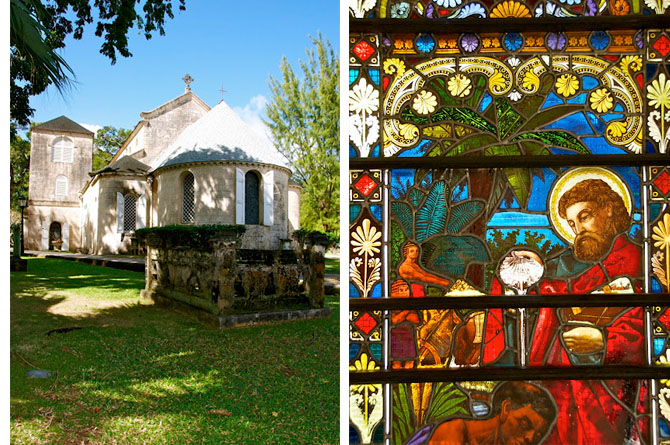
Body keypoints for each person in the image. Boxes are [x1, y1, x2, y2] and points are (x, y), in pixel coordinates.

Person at [477, 177, 647, 444]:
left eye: (585, 216)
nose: (579, 228)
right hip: (561, 391)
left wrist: (606, 342)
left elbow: (656, 322)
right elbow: (546, 287)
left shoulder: (644, 262)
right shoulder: (568, 267)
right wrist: (526, 272)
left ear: (610, 209)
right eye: (572, 223)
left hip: (615, 393)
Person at [422, 382, 556, 445]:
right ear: (506, 408)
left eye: (538, 435)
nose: (530, 438)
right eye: (525, 424)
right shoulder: (453, 433)